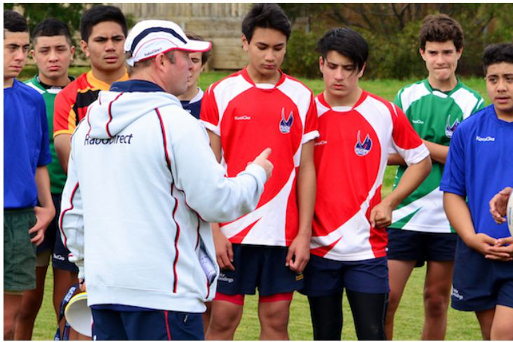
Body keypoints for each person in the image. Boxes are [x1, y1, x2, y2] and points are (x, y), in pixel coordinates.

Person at [59, 19, 273, 340]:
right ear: (162, 60)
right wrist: (257, 175)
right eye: (185, 56)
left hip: (104, 291)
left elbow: (72, 216)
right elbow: (217, 202)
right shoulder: (175, 122)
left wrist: (88, 270)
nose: (192, 65)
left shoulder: (89, 124)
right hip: (165, 296)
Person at [299, 27, 432, 341]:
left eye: (348, 68)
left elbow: (421, 161)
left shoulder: (384, 112)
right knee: (325, 333)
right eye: (332, 66)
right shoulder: (306, 113)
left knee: (373, 333)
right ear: (321, 64)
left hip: (368, 250)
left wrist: (390, 201)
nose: (339, 76)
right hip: (318, 249)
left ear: (362, 69)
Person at [200, 4, 318, 340]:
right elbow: (208, 168)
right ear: (245, 42)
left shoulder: (301, 96)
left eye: (278, 48)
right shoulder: (220, 93)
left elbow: (307, 168)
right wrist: (214, 230)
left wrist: (303, 233)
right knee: (222, 318)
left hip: (282, 233)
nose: (270, 56)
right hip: (231, 231)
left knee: (277, 319)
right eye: (262, 47)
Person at [385, 14, 485, 340]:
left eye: (447, 52)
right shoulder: (406, 97)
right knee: (386, 300)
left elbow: (470, 161)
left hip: (449, 216)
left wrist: (420, 146)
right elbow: (391, 154)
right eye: (433, 52)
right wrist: (439, 150)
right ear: (422, 54)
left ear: (459, 53)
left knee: (436, 301)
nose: (440, 60)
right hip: (403, 213)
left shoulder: (474, 104)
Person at [441, 42, 513, 341]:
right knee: (489, 334)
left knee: (503, 333)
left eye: (510, 78)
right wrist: (471, 238)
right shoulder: (468, 130)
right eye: (493, 79)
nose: (501, 87)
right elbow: (453, 192)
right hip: (480, 250)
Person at [14, 18, 79, 340]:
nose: (53, 57)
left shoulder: (88, 93)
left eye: (59, 49)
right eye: (44, 51)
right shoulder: (22, 95)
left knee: (69, 305)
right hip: (35, 207)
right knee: (25, 304)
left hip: (75, 206)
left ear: (73, 51)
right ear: (33, 55)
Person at [4, 10, 55, 340]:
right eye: (11, 47)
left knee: (8, 323)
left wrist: (48, 206)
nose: (21, 56)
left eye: (24, 47)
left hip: (19, 221)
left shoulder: (32, 99)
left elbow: (39, 162)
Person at [54, 5, 128, 173]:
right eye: (101, 40)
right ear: (85, 47)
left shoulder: (147, 89)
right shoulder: (68, 97)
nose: (110, 46)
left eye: (117, 39)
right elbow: (71, 165)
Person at [177, 33, 210, 119]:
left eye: (194, 60)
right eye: (183, 59)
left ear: (202, 66)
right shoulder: (159, 105)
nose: (189, 66)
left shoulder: (213, 107)